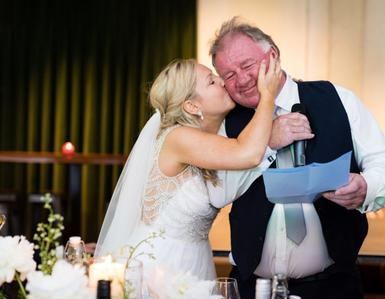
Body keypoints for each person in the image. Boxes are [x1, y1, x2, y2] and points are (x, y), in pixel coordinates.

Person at [206, 17, 385, 299]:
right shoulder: (224, 121)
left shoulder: (337, 98)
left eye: (247, 66)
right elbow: (218, 189)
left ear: (272, 55)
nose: (243, 79)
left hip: (332, 289)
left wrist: (367, 186)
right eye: (229, 75)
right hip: (251, 289)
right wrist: (265, 144)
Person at [95, 56, 282, 284]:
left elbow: (229, 187)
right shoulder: (178, 137)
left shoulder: (212, 138)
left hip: (194, 261)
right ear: (192, 106)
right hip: (160, 266)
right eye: (211, 82)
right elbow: (248, 154)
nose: (222, 81)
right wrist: (268, 96)